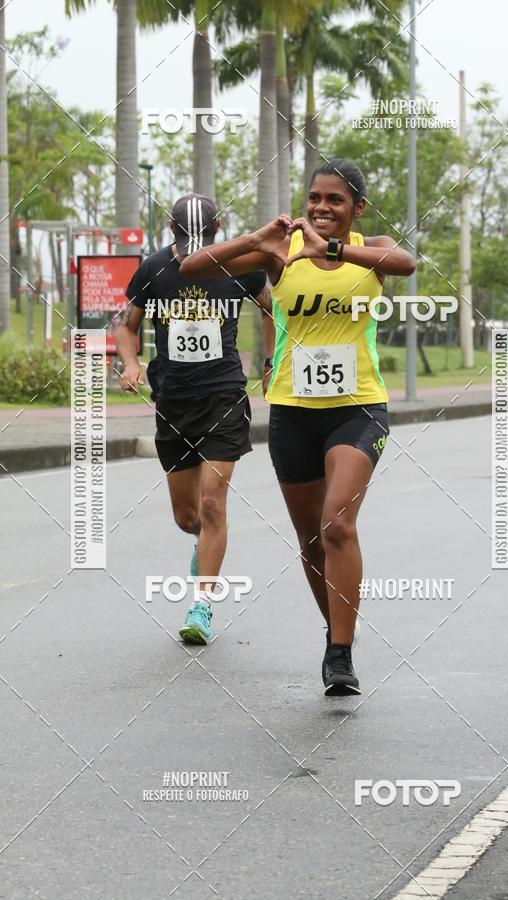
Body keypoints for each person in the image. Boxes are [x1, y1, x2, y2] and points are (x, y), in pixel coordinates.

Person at [180, 160, 416, 695]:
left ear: (357, 208)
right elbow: (193, 267)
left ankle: (339, 655)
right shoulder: (278, 255)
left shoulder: (369, 247)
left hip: (358, 408)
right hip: (291, 412)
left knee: (337, 524)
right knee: (311, 539)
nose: (321, 208)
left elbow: (405, 263)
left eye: (335, 200)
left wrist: (329, 249)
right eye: (314, 198)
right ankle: (336, 628)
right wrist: (258, 237)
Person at [116, 193, 271, 645]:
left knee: (211, 503)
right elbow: (126, 325)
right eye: (186, 241)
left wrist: (269, 356)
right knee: (187, 518)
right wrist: (130, 363)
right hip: (174, 401)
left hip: (223, 396)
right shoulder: (154, 269)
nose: (192, 249)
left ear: (220, 229)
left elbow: (268, 306)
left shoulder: (241, 265)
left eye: (201, 240)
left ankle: (201, 605)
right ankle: (201, 544)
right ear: (171, 233)